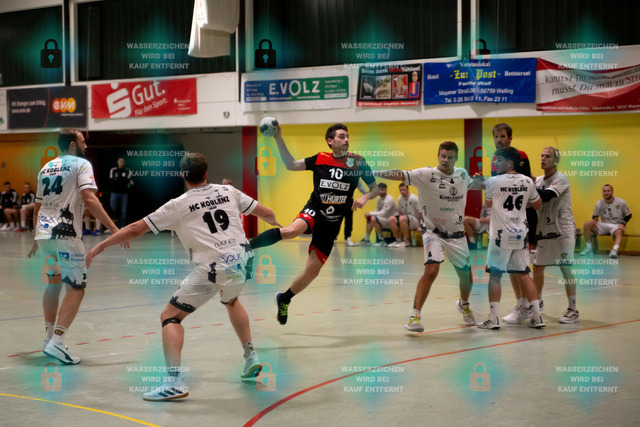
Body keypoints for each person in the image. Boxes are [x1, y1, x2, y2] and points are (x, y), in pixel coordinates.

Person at [86, 153, 280, 401]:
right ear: (206, 173)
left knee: (170, 316)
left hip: (214, 267)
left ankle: (174, 383)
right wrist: (276, 222)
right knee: (231, 300)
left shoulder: (177, 205)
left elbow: (135, 228)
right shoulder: (228, 191)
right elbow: (266, 212)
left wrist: (101, 245)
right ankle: (251, 356)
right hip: (242, 261)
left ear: (182, 175)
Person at [249, 123, 378, 325]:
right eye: (341, 136)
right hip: (315, 210)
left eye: (347, 136)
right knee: (291, 231)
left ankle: (284, 299)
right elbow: (291, 165)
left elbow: (374, 188)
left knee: (312, 272)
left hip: (332, 223)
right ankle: (246, 247)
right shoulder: (320, 159)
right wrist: (278, 138)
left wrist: (365, 197)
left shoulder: (357, 162)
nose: (346, 139)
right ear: (330, 141)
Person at [27, 129, 123, 365]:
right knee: (76, 288)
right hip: (66, 235)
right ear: (72, 144)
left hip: (44, 234)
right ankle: (58, 342)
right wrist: (113, 228)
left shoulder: (46, 167)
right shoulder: (81, 164)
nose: (85, 145)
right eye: (82, 141)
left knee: (52, 285)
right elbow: (89, 198)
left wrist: (36, 237)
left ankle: (48, 338)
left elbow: (37, 206)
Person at [375, 141, 483, 331]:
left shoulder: (462, 175)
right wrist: (374, 172)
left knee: (467, 277)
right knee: (431, 271)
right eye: (443, 156)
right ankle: (414, 316)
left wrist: (486, 182)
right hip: (433, 231)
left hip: (457, 235)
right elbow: (399, 174)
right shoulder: (426, 175)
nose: (446, 160)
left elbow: (477, 184)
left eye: (450, 157)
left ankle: (464, 304)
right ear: (438, 156)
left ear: (456, 158)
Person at [479, 146, 543, 329]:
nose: (496, 164)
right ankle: (537, 317)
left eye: (499, 160)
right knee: (524, 274)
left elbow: (488, 203)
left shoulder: (493, 181)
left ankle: (493, 318)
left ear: (510, 163)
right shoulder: (528, 181)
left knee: (495, 276)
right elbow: (537, 205)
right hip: (520, 234)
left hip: (500, 235)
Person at [490, 123, 541, 323]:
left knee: (519, 268)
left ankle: (526, 305)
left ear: (510, 138)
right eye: (496, 136)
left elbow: (524, 185)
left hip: (521, 217)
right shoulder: (495, 159)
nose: (499, 140)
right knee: (515, 268)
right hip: (503, 220)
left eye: (503, 136)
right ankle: (525, 306)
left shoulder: (521, 156)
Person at [532, 147, 579, 324]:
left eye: (547, 156)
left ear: (556, 161)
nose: (543, 159)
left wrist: (529, 184)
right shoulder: (539, 180)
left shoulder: (561, 178)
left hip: (562, 232)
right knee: (537, 267)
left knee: (565, 268)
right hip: (544, 232)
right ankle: (537, 303)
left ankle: (573, 309)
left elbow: (546, 196)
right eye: (542, 155)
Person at [580, 184, 631, 258]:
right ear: (602, 192)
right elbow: (595, 215)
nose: (606, 193)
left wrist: (623, 223)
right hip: (604, 225)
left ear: (612, 192)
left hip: (616, 225)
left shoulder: (621, 202)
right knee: (587, 224)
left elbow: (629, 215)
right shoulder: (599, 203)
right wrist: (595, 218)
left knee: (619, 231)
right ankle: (588, 248)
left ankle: (614, 250)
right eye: (604, 191)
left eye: (608, 191)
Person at [359, 182, 398, 246]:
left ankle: (381, 240)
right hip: (385, 219)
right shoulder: (379, 199)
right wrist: (369, 215)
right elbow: (377, 211)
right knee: (370, 218)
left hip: (392, 220)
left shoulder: (389, 199)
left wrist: (370, 213)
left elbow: (383, 213)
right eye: (379, 190)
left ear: (386, 189)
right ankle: (366, 239)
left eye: (382, 190)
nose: (380, 192)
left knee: (373, 218)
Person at [388, 182, 421, 248]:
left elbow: (421, 212)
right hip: (404, 219)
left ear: (408, 190)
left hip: (415, 221)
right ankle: (398, 240)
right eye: (401, 190)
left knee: (402, 218)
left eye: (404, 190)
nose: (402, 192)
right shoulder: (400, 198)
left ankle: (406, 241)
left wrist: (421, 226)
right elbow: (400, 211)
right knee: (391, 219)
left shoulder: (414, 198)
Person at [341, 180, 367, 247]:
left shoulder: (354, 176)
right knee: (336, 218)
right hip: (337, 199)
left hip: (349, 200)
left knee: (349, 219)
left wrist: (367, 194)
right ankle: (333, 237)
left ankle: (348, 237)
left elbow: (360, 186)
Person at [109, 157, 133, 228]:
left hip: (124, 193)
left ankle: (122, 226)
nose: (121, 163)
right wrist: (121, 180)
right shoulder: (113, 170)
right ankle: (111, 226)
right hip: (114, 193)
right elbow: (111, 181)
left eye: (123, 161)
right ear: (117, 162)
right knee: (112, 209)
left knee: (123, 210)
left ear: (124, 163)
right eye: (120, 161)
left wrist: (118, 180)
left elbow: (128, 181)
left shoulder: (127, 171)